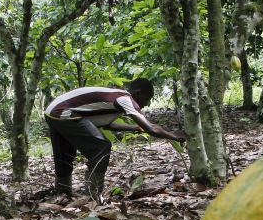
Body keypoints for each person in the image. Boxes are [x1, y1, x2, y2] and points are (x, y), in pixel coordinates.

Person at [44, 79, 186, 200]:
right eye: (147, 98)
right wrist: (174, 135)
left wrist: (136, 128)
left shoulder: (116, 98)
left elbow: (108, 125)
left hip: (53, 111)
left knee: (64, 153)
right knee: (101, 147)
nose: (148, 103)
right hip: (63, 111)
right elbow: (151, 129)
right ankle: (93, 194)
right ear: (137, 93)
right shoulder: (125, 99)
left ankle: (62, 192)